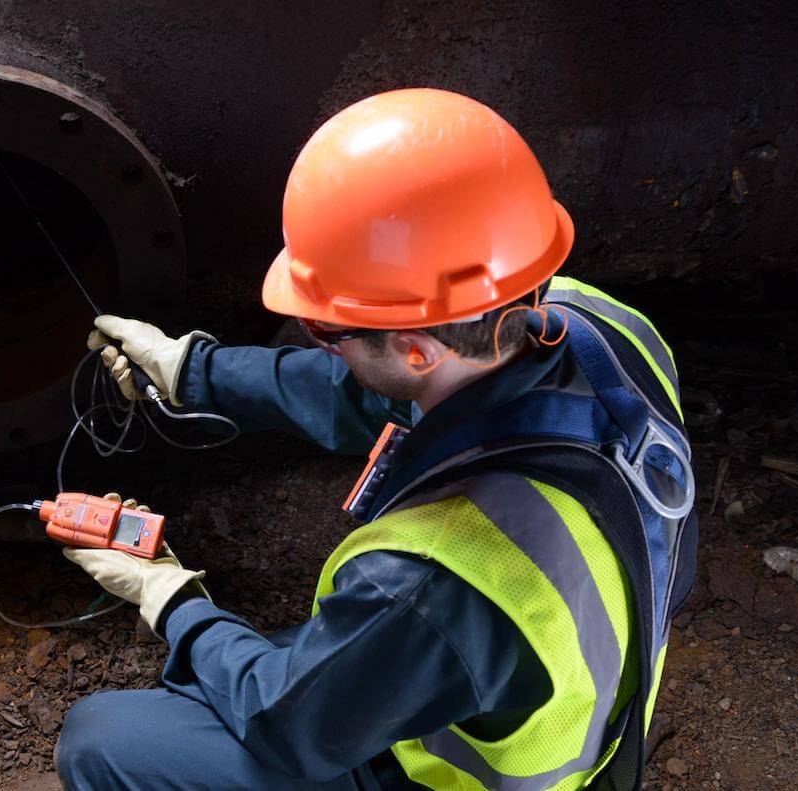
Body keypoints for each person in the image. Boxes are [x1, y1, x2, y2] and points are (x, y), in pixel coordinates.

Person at [56, 89, 697, 789]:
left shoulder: (434, 577)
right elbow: (375, 389)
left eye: (326, 330)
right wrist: (194, 371)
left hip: (465, 774)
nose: (320, 343)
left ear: (419, 349)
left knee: (104, 740)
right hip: (550, 682)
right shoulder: (598, 323)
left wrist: (173, 600)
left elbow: (284, 721)